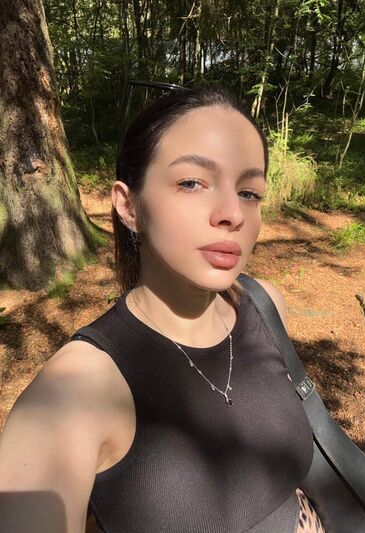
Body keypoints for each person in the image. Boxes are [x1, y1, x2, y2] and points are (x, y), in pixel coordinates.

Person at [0, 87, 325, 533]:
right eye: (191, 182)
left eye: (250, 192)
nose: (232, 213)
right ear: (128, 205)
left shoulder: (265, 308)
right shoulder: (72, 394)